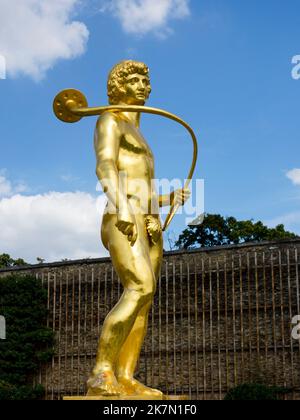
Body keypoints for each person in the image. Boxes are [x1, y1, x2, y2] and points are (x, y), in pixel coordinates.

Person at [87, 60, 190, 397]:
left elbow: (142, 187)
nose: (144, 86)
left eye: (146, 80)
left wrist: (166, 198)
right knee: (140, 287)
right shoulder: (109, 120)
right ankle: (101, 373)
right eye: (134, 80)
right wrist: (120, 207)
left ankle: (126, 375)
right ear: (118, 87)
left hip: (149, 221)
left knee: (144, 303)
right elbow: (104, 165)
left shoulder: (141, 134)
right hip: (124, 213)